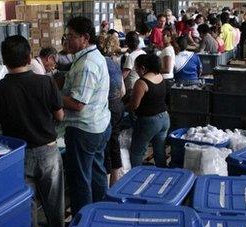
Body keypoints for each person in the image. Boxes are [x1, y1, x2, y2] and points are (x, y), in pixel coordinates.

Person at [0, 35, 65, 227]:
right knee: (54, 204)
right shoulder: (46, 82)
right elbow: (60, 116)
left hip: (17, 156)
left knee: (26, 208)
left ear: (4, 60)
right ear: (29, 57)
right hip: (48, 152)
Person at [61, 17, 111, 216]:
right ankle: (100, 213)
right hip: (98, 125)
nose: (67, 41)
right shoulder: (89, 57)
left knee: (80, 178)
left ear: (85, 38)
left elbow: (77, 104)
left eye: (71, 36)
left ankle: (82, 220)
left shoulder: (87, 64)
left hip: (84, 130)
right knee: (97, 172)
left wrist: (52, 94)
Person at [126, 54, 170, 167]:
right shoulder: (160, 76)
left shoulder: (141, 83)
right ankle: (163, 174)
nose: (136, 71)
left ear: (143, 68)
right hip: (164, 118)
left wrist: (123, 106)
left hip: (149, 121)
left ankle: (136, 175)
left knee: (136, 152)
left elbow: (134, 106)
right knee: (159, 151)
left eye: (136, 68)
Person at [102, 50, 125, 186]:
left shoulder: (95, 64)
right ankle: (114, 184)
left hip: (106, 107)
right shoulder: (114, 63)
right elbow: (123, 91)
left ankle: (104, 183)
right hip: (117, 105)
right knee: (114, 143)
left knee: (104, 146)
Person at [123, 31, 146, 98]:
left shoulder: (130, 57)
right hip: (142, 84)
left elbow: (124, 74)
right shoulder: (143, 53)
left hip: (131, 86)